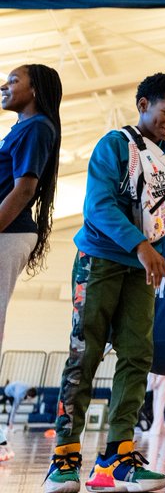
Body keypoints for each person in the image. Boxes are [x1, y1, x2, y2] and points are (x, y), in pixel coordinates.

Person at [44, 73, 165, 493]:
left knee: (137, 356)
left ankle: (117, 459)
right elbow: (98, 206)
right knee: (86, 353)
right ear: (143, 104)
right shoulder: (114, 146)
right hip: (100, 261)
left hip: (141, 270)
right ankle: (64, 458)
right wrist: (141, 246)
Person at [0, 64, 61, 465]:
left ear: (35, 89)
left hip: (8, 233)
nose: (4, 87)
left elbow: (24, 189)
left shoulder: (37, 127)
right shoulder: (22, 128)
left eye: (12, 81)